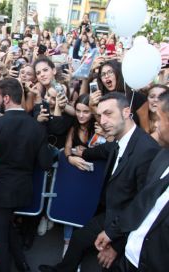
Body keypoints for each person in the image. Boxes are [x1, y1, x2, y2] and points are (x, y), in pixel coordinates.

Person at [38, 92, 160, 272]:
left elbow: (144, 206)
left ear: (126, 112)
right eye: (100, 115)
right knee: (79, 239)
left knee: (108, 264)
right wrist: (74, 155)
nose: (102, 121)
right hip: (110, 213)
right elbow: (101, 151)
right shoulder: (120, 141)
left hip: (125, 224)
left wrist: (116, 245)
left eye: (109, 114)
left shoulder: (147, 149)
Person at [94, 90, 169, 272]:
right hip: (128, 259)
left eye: (160, 118)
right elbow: (143, 201)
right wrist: (113, 233)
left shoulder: (148, 150)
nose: (156, 125)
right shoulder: (163, 158)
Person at [0, 77, 53, 272]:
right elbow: (46, 163)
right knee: (6, 226)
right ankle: (22, 263)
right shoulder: (37, 127)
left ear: (6, 98)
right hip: (23, 190)